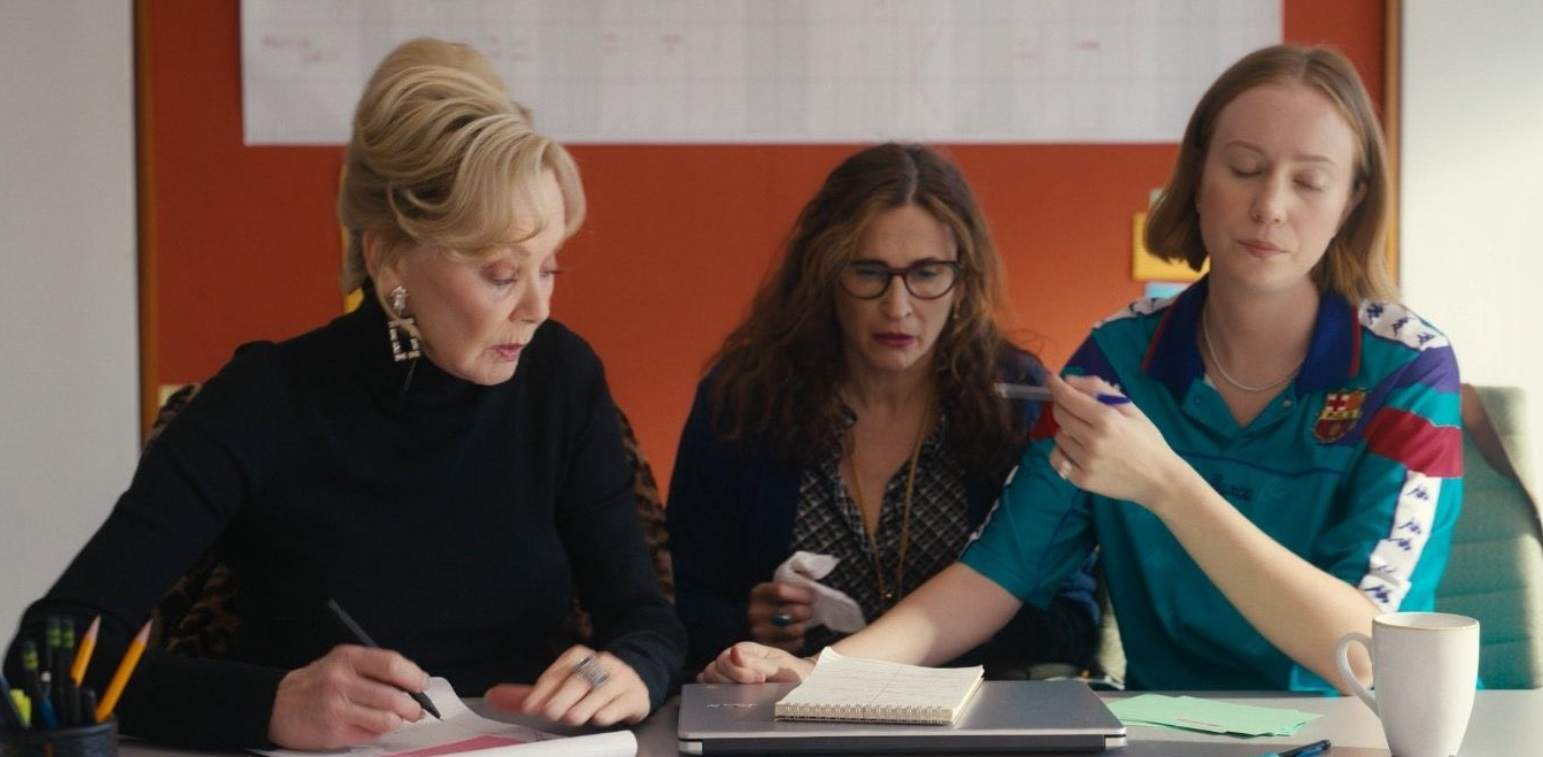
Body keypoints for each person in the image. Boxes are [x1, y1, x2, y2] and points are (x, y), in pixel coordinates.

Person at [699, 44, 1462, 694]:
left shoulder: (1409, 368)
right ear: (1197, 176)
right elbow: (994, 573)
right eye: (1243, 168)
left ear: (1352, 200)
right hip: (1167, 730)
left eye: (1308, 181)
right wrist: (824, 671)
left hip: (1354, 729)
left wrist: (1165, 485)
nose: (1268, 206)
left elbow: (1369, 654)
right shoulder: (1116, 360)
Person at [2, 38, 683, 749]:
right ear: (390, 260)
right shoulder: (263, 399)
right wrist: (272, 702)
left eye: (550, 268)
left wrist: (632, 667)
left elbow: (646, 620)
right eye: (502, 275)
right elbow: (41, 662)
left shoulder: (562, 378)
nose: (537, 309)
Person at [668, 143, 1100, 677]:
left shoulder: (1015, 397)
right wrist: (748, 625)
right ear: (824, 274)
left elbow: (1073, 620)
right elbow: (682, 602)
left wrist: (953, 620)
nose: (898, 307)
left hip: (972, 710)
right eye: (869, 272)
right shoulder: (744, 399)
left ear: (963, 281)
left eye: (927, 273)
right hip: (787, 709)